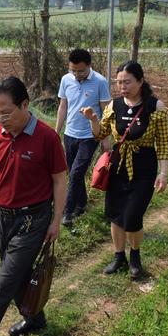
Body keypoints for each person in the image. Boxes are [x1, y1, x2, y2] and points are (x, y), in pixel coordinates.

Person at [0, 76, 67, 336]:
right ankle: (35, 319)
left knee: (5, 280)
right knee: (17, 276)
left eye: (6, 112)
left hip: (32, 220)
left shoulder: (47, 138)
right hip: (4, 217)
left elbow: (60, 181)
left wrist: (55, 221)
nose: (0, 118)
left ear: (25, 104)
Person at [80, 61, 168, 279]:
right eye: (119, 82)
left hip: (144, 168)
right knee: (116, 215)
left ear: (140, 81)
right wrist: (93, 119)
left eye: (127, 82)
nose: (122, 86)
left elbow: (165, 144)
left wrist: (163, 173)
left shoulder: (155, 107)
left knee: (132, 217)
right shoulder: (114, 105)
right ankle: (119, 257)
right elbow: (100, 134)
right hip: (118, 166)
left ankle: (135, 257)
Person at [55, 48, 111, 227]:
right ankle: (81, 204)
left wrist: (104, 139)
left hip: (90, 136)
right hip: (70, 133)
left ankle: (67, 212)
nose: (77, 74)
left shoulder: (100, 82)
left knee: (77, 172)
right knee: (73, 172)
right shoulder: (66, 80)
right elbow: (63, 106)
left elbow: (106, 112)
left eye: (80, 71)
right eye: (73, 70)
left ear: (89, 66)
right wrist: (56, 132)